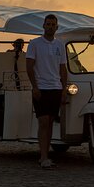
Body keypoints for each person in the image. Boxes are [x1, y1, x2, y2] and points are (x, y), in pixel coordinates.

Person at [26, 14, 67, 169]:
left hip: (55, 88)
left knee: (50, 122)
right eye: (48, 24)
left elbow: (63, 68)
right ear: (43, 26)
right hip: (41, 88)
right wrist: (34, 87)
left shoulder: (60, 45)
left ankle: (45, 155)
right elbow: (29, 66)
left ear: (57, 27)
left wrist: (64, 89)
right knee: (43, 121)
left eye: (53, 24)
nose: (50, 26)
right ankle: (43, 157)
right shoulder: (35, 44)